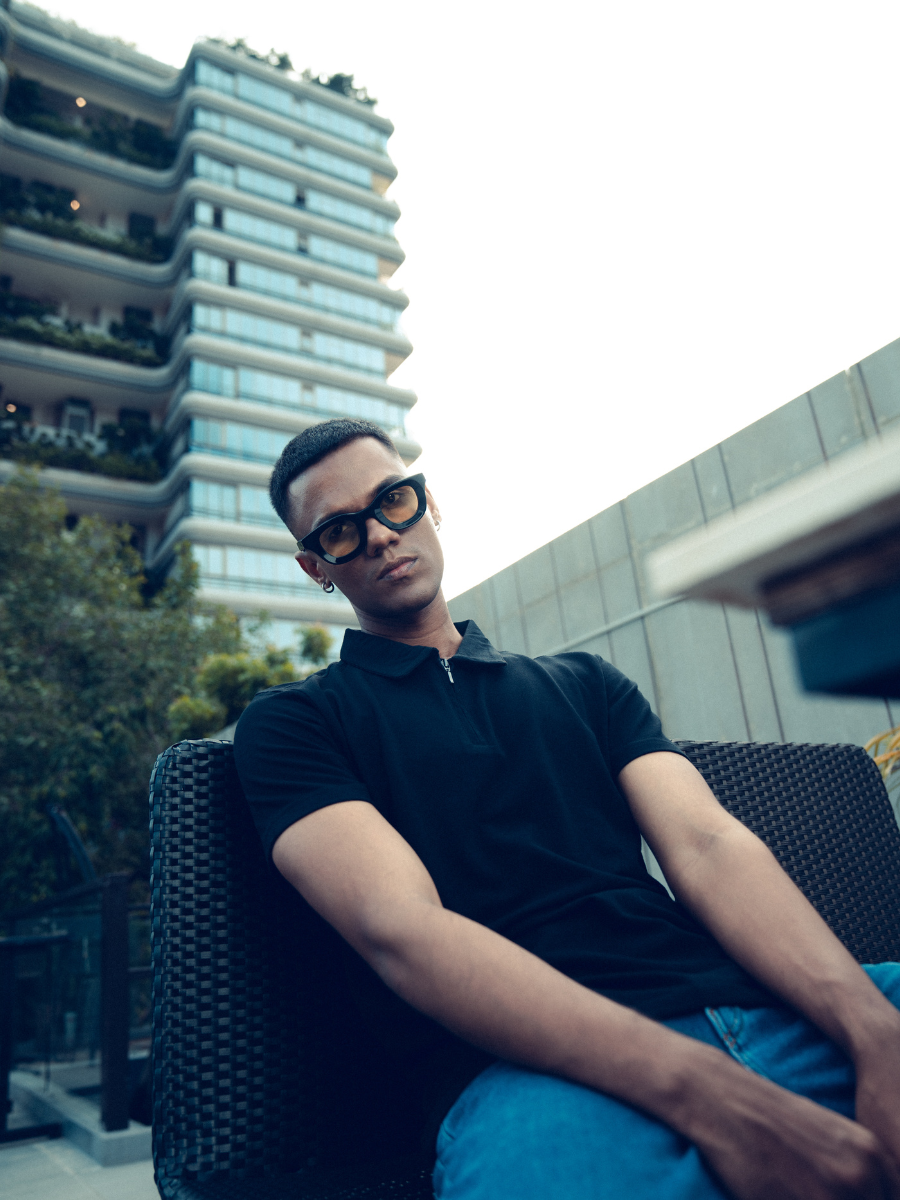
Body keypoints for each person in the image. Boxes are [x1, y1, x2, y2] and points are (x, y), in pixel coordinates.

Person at [233, 418, 900, 1200]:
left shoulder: (584, 681)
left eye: (394, 502)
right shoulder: (295, 724)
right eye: (343, 531)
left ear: (430, 504)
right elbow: (401, 929)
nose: (380, 535)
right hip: (533, 1082)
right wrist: (709, 1092)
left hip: (760, 1009)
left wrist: (874, 1032)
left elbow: (710, 846)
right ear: (317, 567)